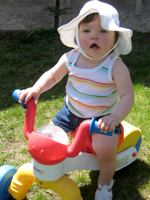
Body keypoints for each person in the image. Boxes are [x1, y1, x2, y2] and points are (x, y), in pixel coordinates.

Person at [18, 0, 134, 199]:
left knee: (105, 151)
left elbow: (127, 96)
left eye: (104, 31)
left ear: (115, 40)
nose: (94, 35)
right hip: (71, 113)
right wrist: (37, 88)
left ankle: (105, 184)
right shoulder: (70, 58)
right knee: (48, 141)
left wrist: (114, 117)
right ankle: (57, 166)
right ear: (78, 35)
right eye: (87, 30)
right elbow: (53, 75)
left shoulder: (115, 66)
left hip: (102, 119)